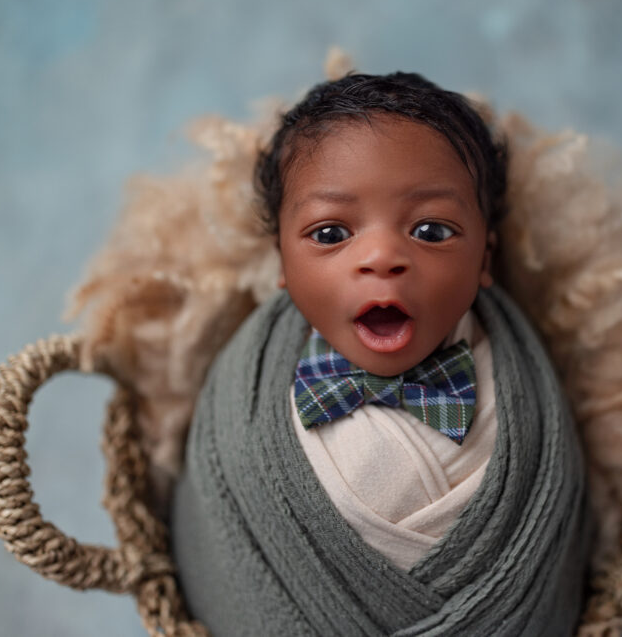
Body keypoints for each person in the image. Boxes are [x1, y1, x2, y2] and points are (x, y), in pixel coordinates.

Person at [171, 72, 592, 636]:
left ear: (484, 259)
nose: (382, 257)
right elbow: (213, 540)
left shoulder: (531, 414)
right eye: (329, 234)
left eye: (431, 230)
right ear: (281, 265)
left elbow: (560, 563)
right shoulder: (241, 409)